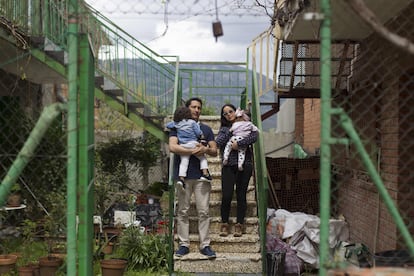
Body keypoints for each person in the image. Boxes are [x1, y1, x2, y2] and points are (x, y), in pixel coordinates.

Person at [168, 97, 218, 259]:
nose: (197, 110)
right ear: (187, 109)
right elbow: (173, 146)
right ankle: (184, 244)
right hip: (183, 176)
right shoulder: (177, 126)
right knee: (182, 211)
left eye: (199, 108)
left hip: (201, 177)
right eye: (194, 107)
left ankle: (205, 245)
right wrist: (193, 151)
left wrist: (204, 149)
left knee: (203, 211)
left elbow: (214, 151)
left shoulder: (206, 128)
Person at [215, 104, 258, 237]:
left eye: (230, 111)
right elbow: (219, 142)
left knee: (241, 195)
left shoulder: (246, 124)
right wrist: (231, 130)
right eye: (225, 113)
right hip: (228, 166)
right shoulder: (224, 129)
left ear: (236, 112)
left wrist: (239, 144)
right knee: (227, 195)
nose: (229, 114)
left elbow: (254, 136)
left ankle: (239, 224)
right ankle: (224, 223)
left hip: (245, 165)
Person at [165, 106, 212, 188]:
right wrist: (201, 135)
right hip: (193, 143)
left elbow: (168, 125)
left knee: (183, 162)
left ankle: (181, 179)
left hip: (183, 145)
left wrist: (173, 123)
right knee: (202, 158)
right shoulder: (192, 122)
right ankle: (205, 174)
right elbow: (198, 132)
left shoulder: (176, 124)